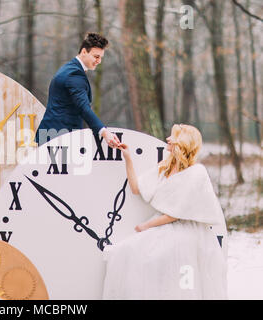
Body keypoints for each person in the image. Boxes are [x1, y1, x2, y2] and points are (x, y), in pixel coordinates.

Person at [102, 124, 228, 299]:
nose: (168, 139)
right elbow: (137, 188)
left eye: (172, 137)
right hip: (165, 225)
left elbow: (175, 214)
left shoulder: (196, 173)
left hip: (186, 231)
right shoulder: (166, 166)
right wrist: (128, 158)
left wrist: (146, 226)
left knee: (161, 262)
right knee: (126, 252)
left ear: (182, 143)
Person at [34, 32, 120, 148]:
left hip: (54, 137)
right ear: (84, 52)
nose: (99, 61)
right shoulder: (74, 75)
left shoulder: (70, 69)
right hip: (58, 139)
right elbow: (84, 108)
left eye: (101, 57)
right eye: (96, 56)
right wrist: (105, 133)